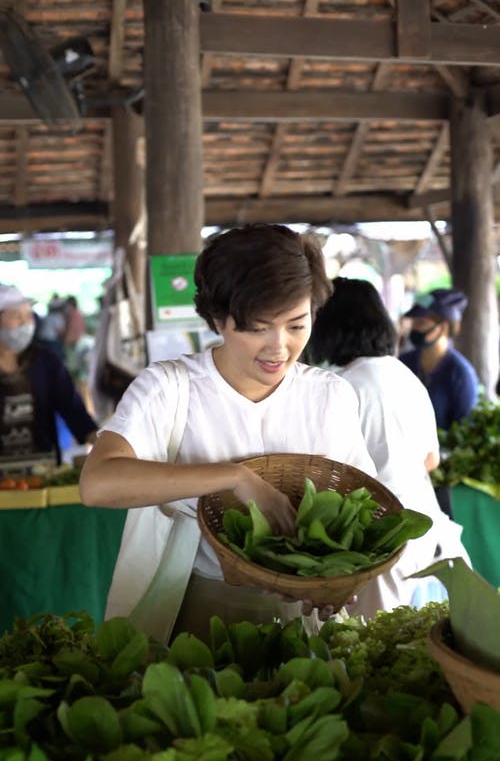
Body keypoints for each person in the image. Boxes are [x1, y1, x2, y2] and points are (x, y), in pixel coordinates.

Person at [80, 223, 376, 640]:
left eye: (296, 324)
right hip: (195, 607)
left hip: (305, 620)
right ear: (218, 319)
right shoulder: (169, 387)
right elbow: (97, 483)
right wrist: (235, 477)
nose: (278, 348)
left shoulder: (330, 396)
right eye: (257, 328)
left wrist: (340, 578)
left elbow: (362, 505)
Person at [308, 276, 472, 617]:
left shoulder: (339, 386)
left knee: (373, 649)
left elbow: (326, 479)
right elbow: (430, 461)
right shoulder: (403, 374)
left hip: (380, 541)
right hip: (427, 531)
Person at [0, 285, 98, 463]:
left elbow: (71, 406)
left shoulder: (45, 362)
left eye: (29, 316)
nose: (26, 323)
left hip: (43, 466)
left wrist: (96, 438)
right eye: (16, 316)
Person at [399, 287, 479, 431]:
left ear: (442, 327)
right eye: (414, 322)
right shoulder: (404, 363)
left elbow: (464, 429)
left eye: (421, 323)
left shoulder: (460, 374)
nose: (414, 328)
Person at [34, 293, 67, 360]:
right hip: (50, 341)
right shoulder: (57, 317)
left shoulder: (49, 316)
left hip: (42, 340)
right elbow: (60, 331)